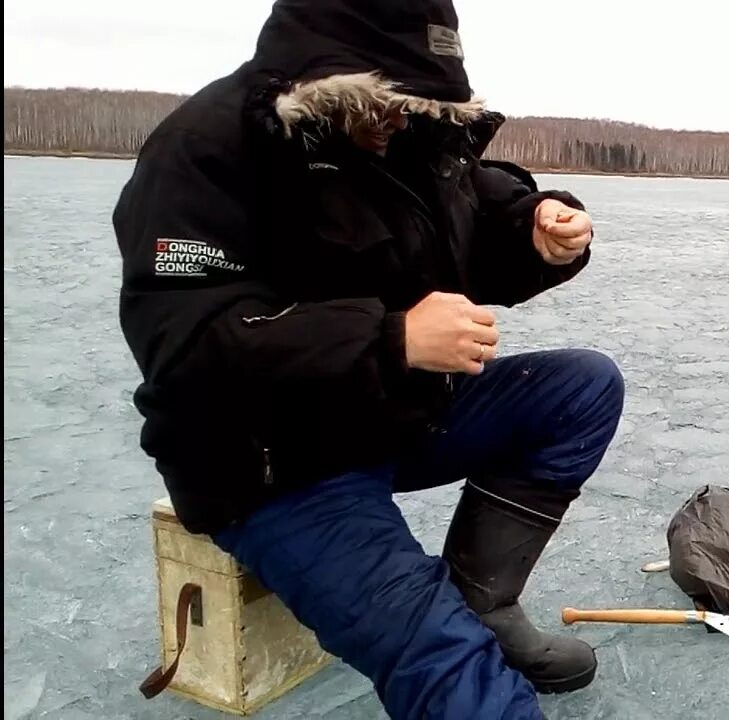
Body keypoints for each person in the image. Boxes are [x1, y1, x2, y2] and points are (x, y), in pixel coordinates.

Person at [112, 1, 625, 717]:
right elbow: (188, 346)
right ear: (330, 78)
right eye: (385, 102)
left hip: (385, 417)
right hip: (269, 464)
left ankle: (484, 605)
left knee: (581, 389)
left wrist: (534, 225)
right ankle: (450, 635)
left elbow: (473, 200)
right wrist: (392, 340)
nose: (399, 120)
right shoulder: (205, 151)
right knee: (442, 659)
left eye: (415, 104)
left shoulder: (400, 136)